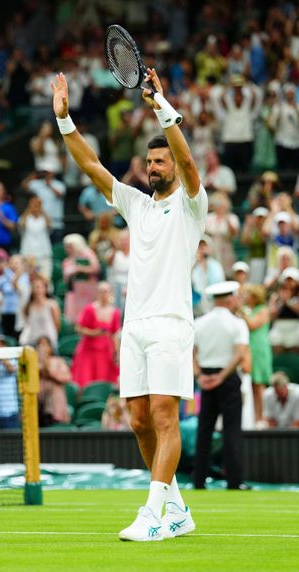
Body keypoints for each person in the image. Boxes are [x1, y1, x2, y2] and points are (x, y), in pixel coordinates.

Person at [53, 68, 204, 541]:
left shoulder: (191, 206)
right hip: (134, 327)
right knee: (139, 421)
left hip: (172, 325)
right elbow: (92, 167)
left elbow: (190, 164)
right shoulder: (136, 204)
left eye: (163, 162)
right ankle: (178, 508)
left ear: (174, 167)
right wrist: (64, 119)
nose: (156, 168)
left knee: (164, 415)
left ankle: (154, 514)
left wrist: (161, 106)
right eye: (151, 163)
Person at [192, 281, 249, 490]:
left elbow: (190, 354)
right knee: (231, 430)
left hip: (206, 378)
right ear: (229, 299)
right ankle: (234, 481)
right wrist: (222, 376)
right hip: (227, 378)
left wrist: (200, 376)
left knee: (204, 430)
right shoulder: (237, 323)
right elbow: (240, 353)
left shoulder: (199, 323)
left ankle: (198, 480)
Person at [71, 281, 120, 387]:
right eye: (101, 291)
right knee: (86, 379)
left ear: (111, 293)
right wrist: (94, 333)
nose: (104, 294)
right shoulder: (89, 309)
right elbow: (79, 328)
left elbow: (115, 334)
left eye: (106, 291)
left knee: (103, 378)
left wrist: (116, 352)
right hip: (88, 350)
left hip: (105, 351)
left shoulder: (115, 312)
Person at [240, 283, 272, 422]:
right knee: (251, 384)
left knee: (259, 385)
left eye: (247, 294)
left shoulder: (263, 310)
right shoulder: (247, 310)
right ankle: (254, 417)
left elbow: (253, 325)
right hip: (248, 349)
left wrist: (241, 309)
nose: (244, 296)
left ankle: (263, 416)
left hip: (259, 350)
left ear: (254, 296)